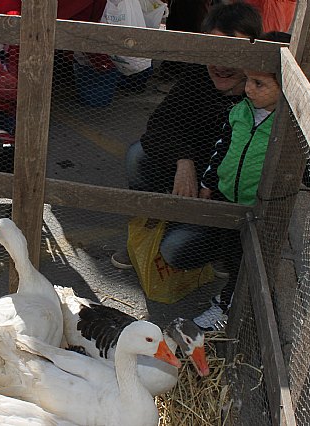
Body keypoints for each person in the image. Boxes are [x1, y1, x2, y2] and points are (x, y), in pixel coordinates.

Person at [112, 1, 263, 267]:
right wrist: (184, 161)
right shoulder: (198, 74)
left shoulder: (262, 97)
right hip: (191, 182)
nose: (220, 64)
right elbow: (161, 123)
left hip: (224, 202)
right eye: (213, 51)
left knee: (174, 252)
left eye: (233, 54)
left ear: (253, 52)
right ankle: (146, 233)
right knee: (138, 155)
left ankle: (221, 252)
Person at [183, 30, 288, 329]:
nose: (249, 89)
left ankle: (228, 308)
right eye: (248, 80)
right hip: (227, 199)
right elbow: (222, 148)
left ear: (286, 86)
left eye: (259, 83)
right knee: (231, 255)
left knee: (246, 261)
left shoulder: (287, 126)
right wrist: (208, 182)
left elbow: (302, 162)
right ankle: (233, 295)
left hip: (258, 208)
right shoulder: (239, 113)